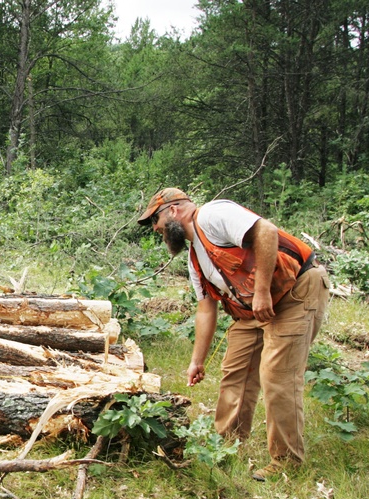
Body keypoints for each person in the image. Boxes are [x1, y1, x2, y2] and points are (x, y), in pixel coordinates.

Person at [137, 188, 330, 480]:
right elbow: (206, 308)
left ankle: (286, 463)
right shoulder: (194, 258)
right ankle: (226, 445)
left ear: (174, 210)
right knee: (235, 373)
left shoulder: (213, 215)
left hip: (294, 292)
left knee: (278, 375)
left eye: (156, 220)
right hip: (252, 309)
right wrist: (196, 361)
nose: (156, 228)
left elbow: (265, 231)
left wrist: (262, 290)